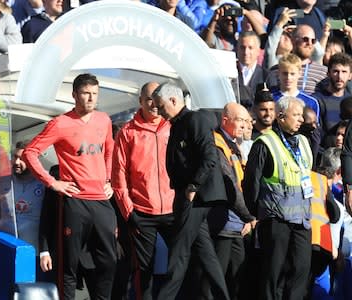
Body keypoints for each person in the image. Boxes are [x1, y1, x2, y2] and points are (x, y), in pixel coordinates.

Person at [22, 73, 116, 300]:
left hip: (101, 200)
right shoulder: (60, 123)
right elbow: (30, 152)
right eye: (86, 93)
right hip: (75, 201)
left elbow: (110, 149)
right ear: (74, 95)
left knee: (110, 261)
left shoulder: (104, 120)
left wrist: (108, 181)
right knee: (69, 265)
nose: (91, 98)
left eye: (95, 94)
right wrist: (52, 182)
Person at [151, 82, 229, 300]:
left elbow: (209, 156)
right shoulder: (177, 124)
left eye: (161, 106)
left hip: (197, 198)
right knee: (206, 255)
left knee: (178, 253)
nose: (159, 111)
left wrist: (194, 186)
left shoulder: (194, 120)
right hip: (189, 196)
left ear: (174, 101)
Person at [243, 96, 313, 300]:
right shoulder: (265, 143)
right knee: (273, 271)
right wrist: (252, 214)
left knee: (301, 268)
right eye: (296, 115)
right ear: (281, 117)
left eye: (301, 115)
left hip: (301, 219)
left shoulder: (303, 142)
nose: (301, 120)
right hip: (275, 219)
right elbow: (251, 182)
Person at [111, 81, 175, 300]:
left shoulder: (172, 127)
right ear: (140, 101)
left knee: (180, 264)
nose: (154, 104)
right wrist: (129, 212)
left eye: (157, 98)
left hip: (172, 211)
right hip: (141, 212)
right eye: (149, 99)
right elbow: (118, 177)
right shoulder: (127, 133)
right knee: (143, 272)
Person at [206, 102, 256, 300]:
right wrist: (249, 216)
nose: (245, 125)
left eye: (246, 120)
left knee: (236, 279)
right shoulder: (217, 145)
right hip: (221, 224)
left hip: (237, 223)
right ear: (225, 121)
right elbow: (230, 186)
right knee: (217, 280)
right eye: (240, 120)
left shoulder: (235, 146)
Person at [267, 24, 328, 95]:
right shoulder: (277, 70)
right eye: (305, 39)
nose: (309, 43)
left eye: (313, 41)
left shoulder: (322, 72)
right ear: (293, 41)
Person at [12, 141, 45, 249]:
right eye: (15, 157)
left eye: (22, 159)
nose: (16, 162)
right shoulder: (5, 182)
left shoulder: (45, 184)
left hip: (35, 252)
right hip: (8, 247)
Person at [271, 53, 321, 121]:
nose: (288, 77)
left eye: (292, 74)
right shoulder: (271, 98)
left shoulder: (311, 102)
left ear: (300, 73)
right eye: (285, 73)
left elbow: (314, 128)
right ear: (278, 73)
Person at [313, 53, 352, 134]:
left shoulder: (350, 101)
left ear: (350, 76)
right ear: (328, 73)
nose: (340, 76)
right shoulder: (317, 101)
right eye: (336, 71)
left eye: (344, 72)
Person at [237, 31, 268, 108]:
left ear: (258, 51)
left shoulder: (266, 76)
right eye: (242, 47)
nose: (246, 52)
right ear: (237, 49)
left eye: (250, 48)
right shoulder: (228, 72)